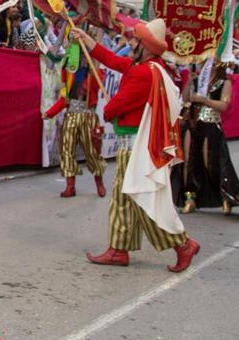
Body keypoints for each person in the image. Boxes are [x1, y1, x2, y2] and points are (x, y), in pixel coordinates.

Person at [72, 20, 199, 272]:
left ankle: (182, 244)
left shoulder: (143, 73)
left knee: (141, 199)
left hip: (136, 147)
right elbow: (113, 60)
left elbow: (116, 106)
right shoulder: (150, 67)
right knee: (123, 198)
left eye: (136, 40)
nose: (131, 43)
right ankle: (118, 249)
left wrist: (107, 110)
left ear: (146, 46)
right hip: (136, 144)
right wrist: (88, 41)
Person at [174, 62, 239, 216]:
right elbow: (185, 98)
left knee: (210, 162)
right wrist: (189, 81)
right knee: (188, 160)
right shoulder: (196, 79)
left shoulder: (224, 82)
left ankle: (224, 196)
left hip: (210, 124)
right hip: (192, 121)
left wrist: (205, 100)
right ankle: (190, 197)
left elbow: (224, 105)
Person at [43, 37, 108, 198]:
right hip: (71, 115)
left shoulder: (94, 73)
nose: (81, 59)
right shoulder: (69, 74)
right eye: (79, 55)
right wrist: (49, 113)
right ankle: (70, 186)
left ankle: (99, 182)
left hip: (89, 116)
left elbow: (97, 85)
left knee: (92, 152)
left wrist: (93, 65)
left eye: (83, 55)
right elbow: (64, 99)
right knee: (66, 150)